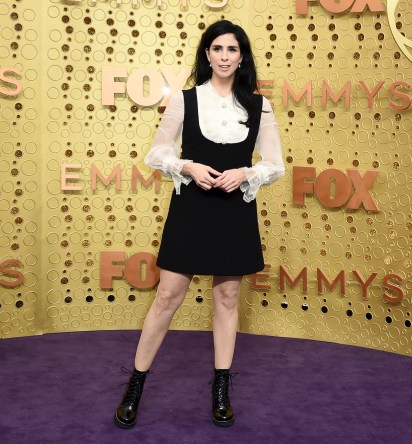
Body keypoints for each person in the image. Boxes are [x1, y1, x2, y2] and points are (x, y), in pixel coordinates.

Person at [114, 19, 285, 428]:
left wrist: (246, 173)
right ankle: (134, 385)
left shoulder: (259, 106)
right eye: (217, 48)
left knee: (226, 299)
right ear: (206, 54)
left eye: (232, 49)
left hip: (234, 211)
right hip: (191, 207)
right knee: (166, 297)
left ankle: (221, 389)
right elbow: (156, 154)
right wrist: (187, 166)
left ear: (241, 57)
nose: (224, 56)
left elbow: (276, 164)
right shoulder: (184, 100)